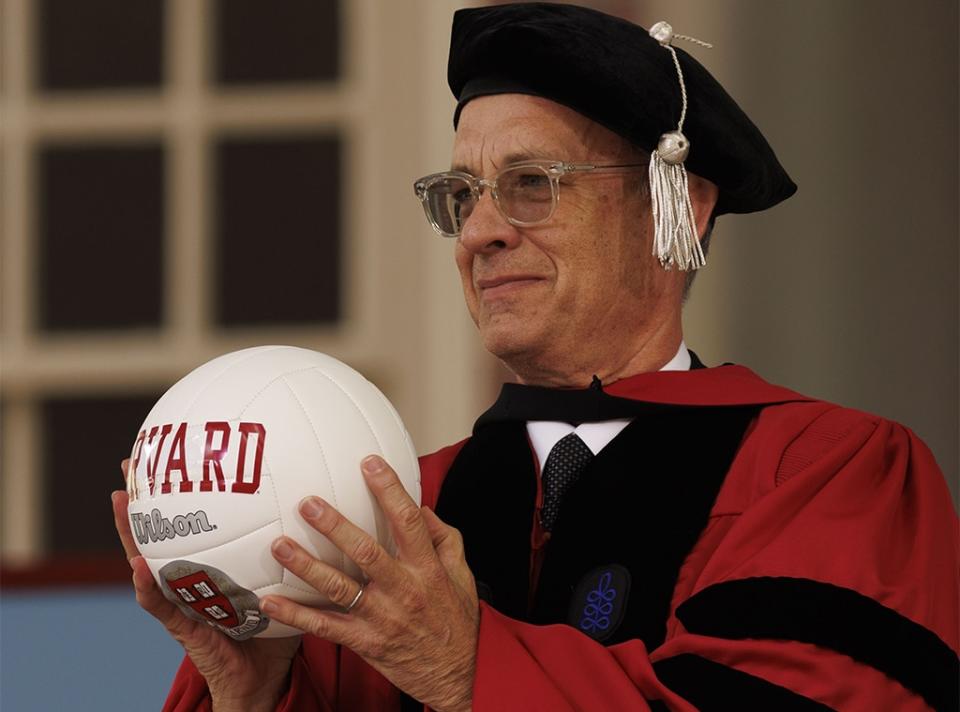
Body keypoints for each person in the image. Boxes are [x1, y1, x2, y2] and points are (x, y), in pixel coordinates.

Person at [112, 4, 959, 711]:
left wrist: (468, 669)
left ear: (682, 205)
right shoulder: (389, 510)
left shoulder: (827, 474)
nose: (480, 232)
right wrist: (253, 694)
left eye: (531, 183)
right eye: (461, 195)